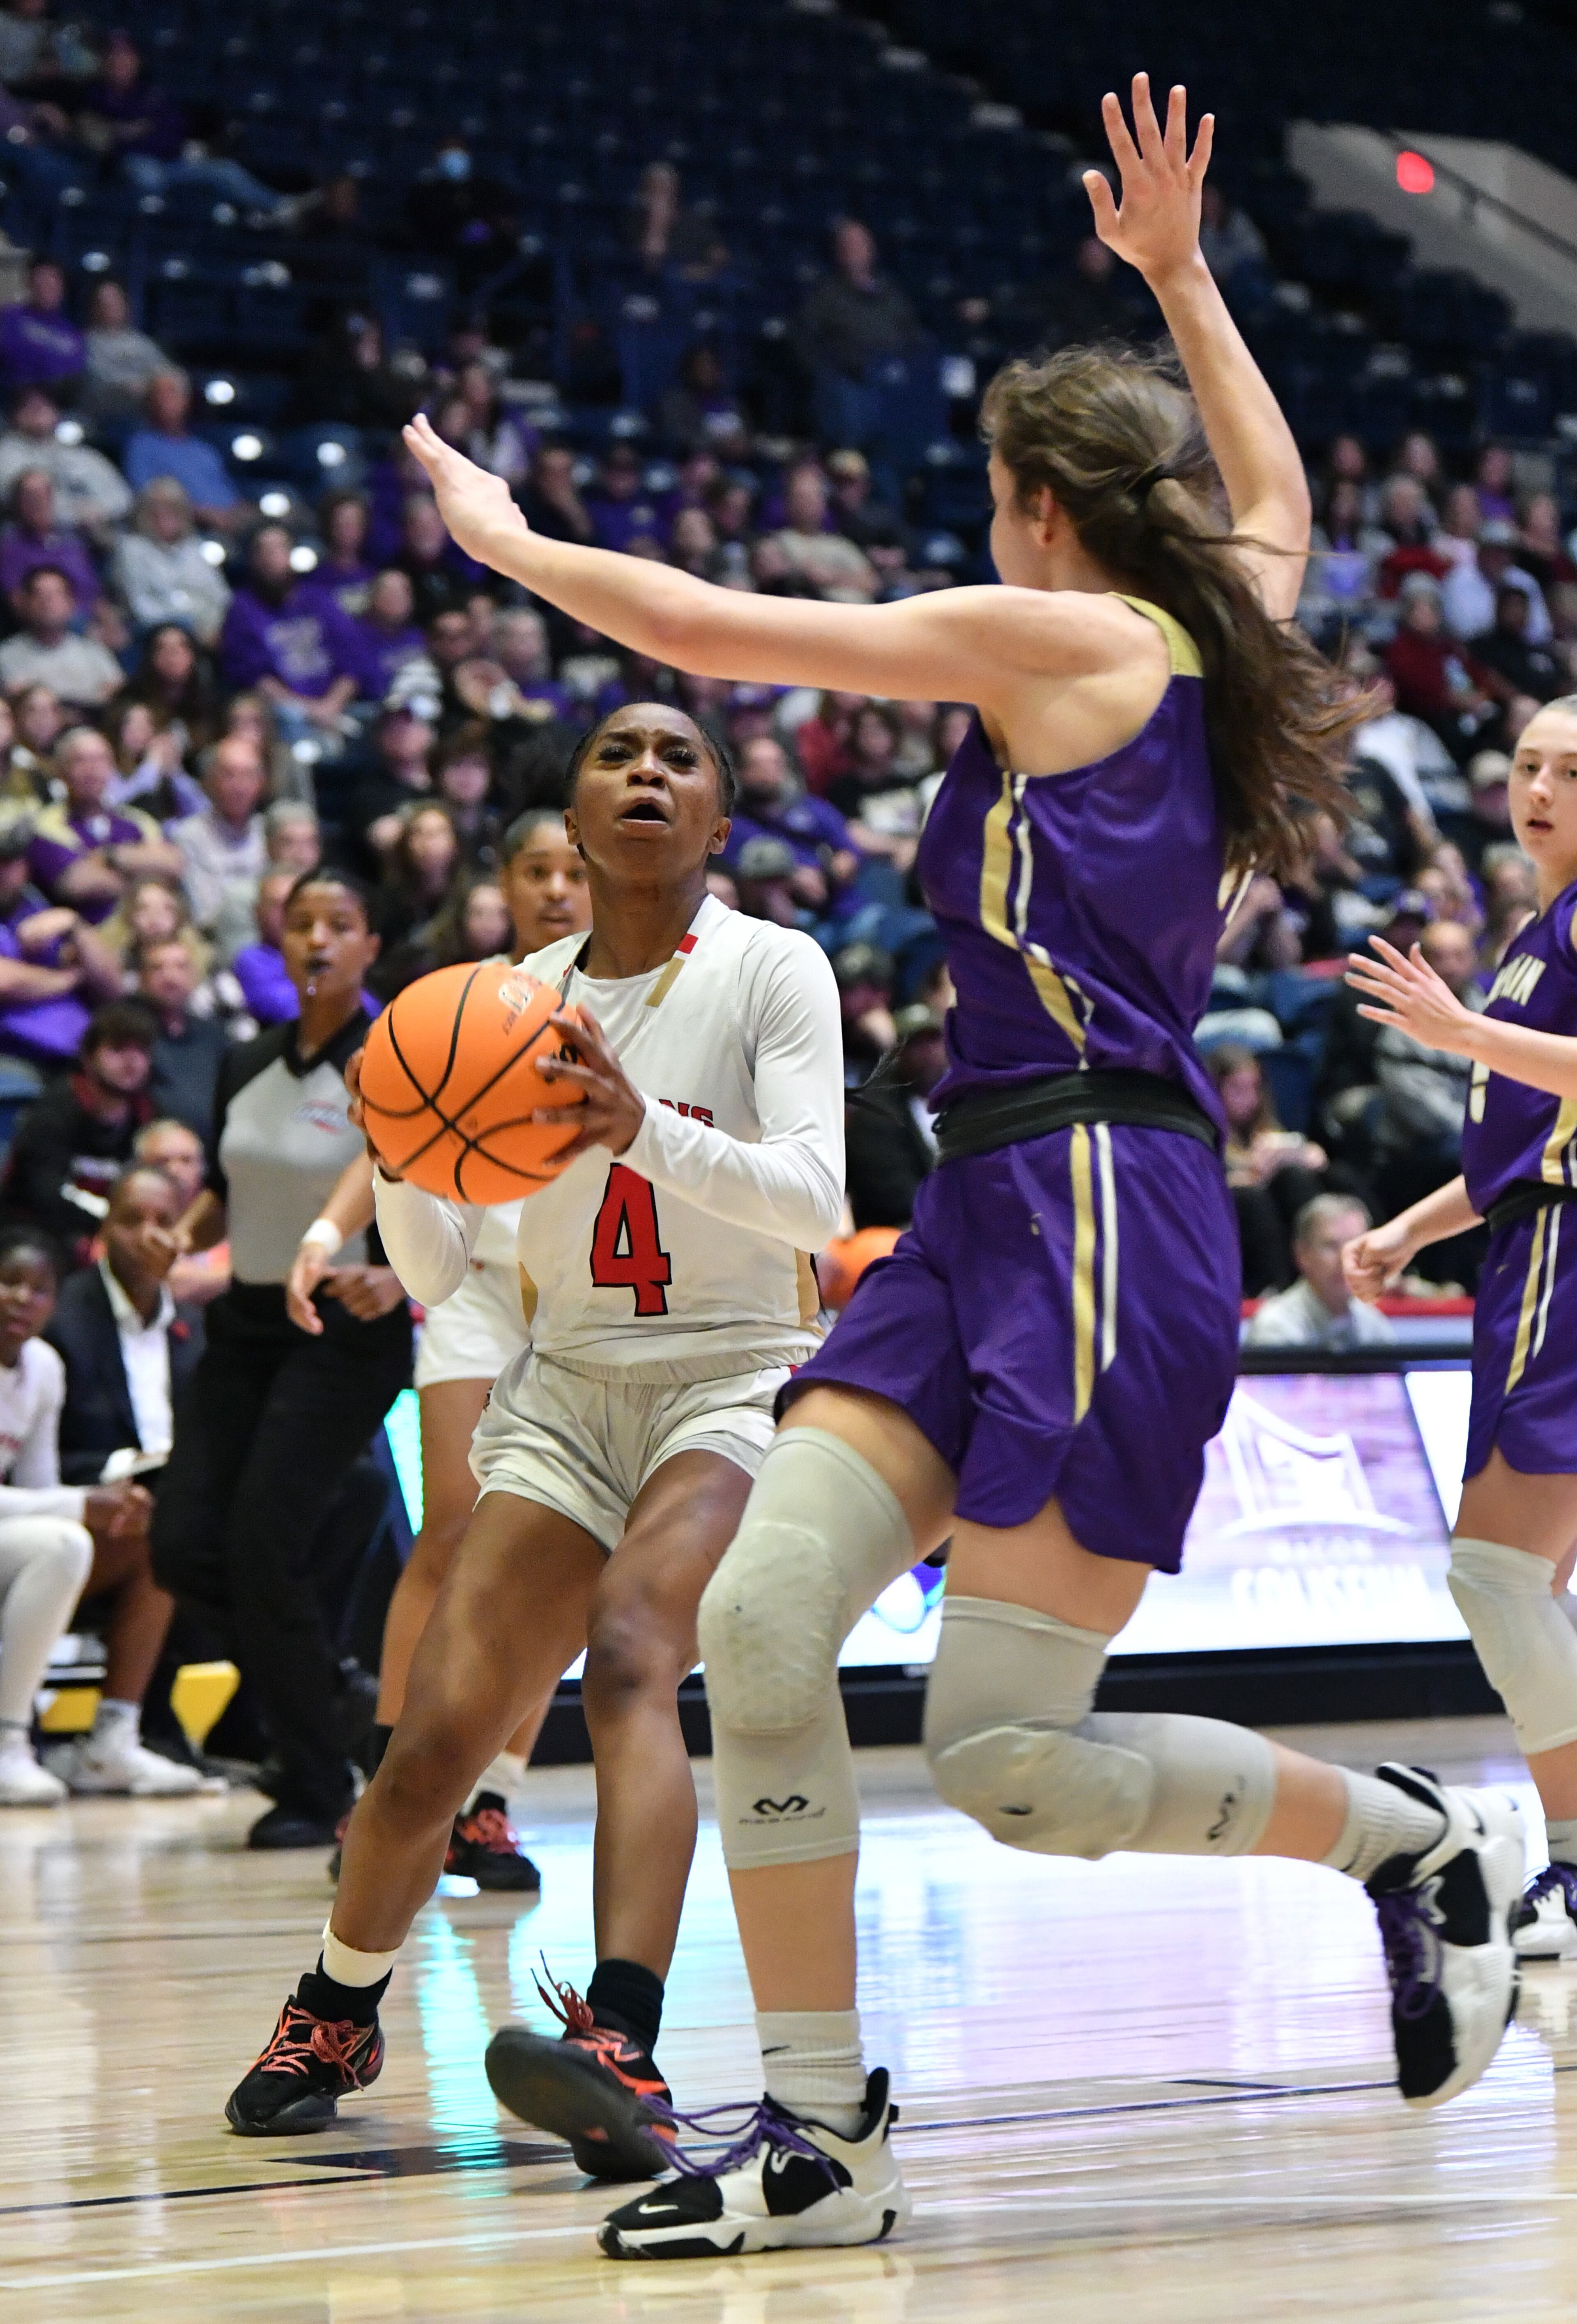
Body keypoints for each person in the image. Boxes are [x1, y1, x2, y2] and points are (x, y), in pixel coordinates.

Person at [369, 78, 1529, 2251]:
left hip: (1107, 1207)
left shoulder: (1070, 641)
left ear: (1039, 514)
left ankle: (1401, 1834)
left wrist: (517, 545)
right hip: (988, 1196)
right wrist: (1183, 280)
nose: (980, 531)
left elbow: (726, 631)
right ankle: (820, 2130)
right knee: (770, 1610)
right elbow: (1273, 490)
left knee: (1006, 1752)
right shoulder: (1208, 615)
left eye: (994, 502)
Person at [223, 705, 844, 2186]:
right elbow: (446, 1281)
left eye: (679, 757)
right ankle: (338, 2001)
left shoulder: (773, 968)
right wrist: (405, 1155)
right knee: (434, 1732)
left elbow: (820, 1200)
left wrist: (641, 1127)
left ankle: (619, 2034)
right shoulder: (493, 1003)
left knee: (636, 1651)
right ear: (567, 822)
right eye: (617, 753)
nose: (646, 770)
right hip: (564, 1384)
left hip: (730, 1373)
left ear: (719, 828)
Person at [285, 805, 592, 1890]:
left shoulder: (626, 1006)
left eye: (574, 869)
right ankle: (385, 1784)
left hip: (578, 1292)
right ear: (503, 888)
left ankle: (488, 1802)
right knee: (453, 1529)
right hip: (470, 1283)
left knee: (566, 1566)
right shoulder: (463, 1003)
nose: (558, 888)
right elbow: (393, 1124)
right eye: (537, 871)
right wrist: (327, 1233)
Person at [1343, 693, 1577, 1962]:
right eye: (1525, 764)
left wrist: (1459, 1030)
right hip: (1531, 1244)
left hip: (1567, 1254)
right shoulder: (1538, 931)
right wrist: (1411, 1229)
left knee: (1495, 1576)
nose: (1536, 787)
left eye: (1569, 770)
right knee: (1526, 1579)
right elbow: (1528, 1136)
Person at [148, 872, 411, 1850]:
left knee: (264, 1547)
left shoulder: (391, 1059)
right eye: (300, 924)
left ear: (368, 946)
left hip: (342, 1325)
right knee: (183, 1545)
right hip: (246, 1323)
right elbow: (231, 1185)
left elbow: (422, 1182)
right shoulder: (244, 1058)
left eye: (338, 926)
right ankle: (337, 1700)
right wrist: (182, 1236)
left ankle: (320, 1783)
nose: (316, 941)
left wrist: (398, 1278)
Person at [42, 1165, 209, 1795]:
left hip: (176, 1504)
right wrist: (119, 1475)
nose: (148, 1235)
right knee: (153, 1527)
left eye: (164, 1222)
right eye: (131, 1220)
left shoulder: (194, 1331)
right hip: (85, 1509)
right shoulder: (61, 1318)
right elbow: (47, 1457)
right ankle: (117, 1729)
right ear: (102, 1232)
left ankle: (264, 1734)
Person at [0, 1225, 161, 1804]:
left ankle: (113, 1736)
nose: (22, 1298)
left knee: (147, 1532)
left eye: (39, 1288)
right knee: (64, 1543)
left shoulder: (43, 1366)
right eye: (9, 1282)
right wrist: (79, 1503)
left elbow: (39, 1484)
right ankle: (9, 1742)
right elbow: (58, 1504)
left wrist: (105, 1501)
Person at [1, 999, 156, 1264]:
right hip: (38, 1239)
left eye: (140, 1051)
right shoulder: (52, 1114)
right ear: (88, 1056)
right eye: (118, 1049)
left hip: (110, 1239)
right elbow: (44, 1198)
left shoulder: (149, 1117)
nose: (132, 1061)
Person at [27, 723, 183, 924]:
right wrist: (142, 869)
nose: (93, 769)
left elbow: (173, 864)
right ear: (61, 770)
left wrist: (108, 856)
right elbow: (77, 884)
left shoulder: (137, 821)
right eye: (81, 760)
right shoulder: (46, 825)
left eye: (102, 759)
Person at [1243, 1193, 1397, 1349]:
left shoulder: (1374, 1325)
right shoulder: (1275, 1327)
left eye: (1357, 1247)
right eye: (1332, 1246)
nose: (1346, 1260)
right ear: (1302, 1254)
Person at [843, 1002, 944, 1230]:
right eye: (916, 1045)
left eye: (933, 1041)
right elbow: (895, 1197)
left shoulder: (966, 1101)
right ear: (898, 1054)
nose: (928, 1054)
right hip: (898, 1233)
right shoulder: (876, 1114)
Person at [124, 371, 247, 533]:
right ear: (150, 402)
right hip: (190, 531)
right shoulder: (141, 446)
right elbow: (147, 498)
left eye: (172, 394)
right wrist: (203, 514)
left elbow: (231, 497)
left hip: (230, 525)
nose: (165, 401)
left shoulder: (204, 450)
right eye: (159, 395)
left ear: (186, 400)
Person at [111, 479, 231, 646]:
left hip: (207, 630)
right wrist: (189, 626)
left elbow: (221, 597)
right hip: (158, 631)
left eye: (172, 510)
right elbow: (139, 605)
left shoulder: (195, 547)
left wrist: (214, 626)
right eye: (156, 511)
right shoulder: (132, 549)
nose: (164, 517)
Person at [169, 735, 269, 933]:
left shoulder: (270, 832)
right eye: (229, 775)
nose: (239, 786)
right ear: (211, 780)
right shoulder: (187, 836)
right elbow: (203, 916)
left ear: (261, 783)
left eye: (248, 775)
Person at [136, 934, 231, 1142]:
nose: (170, 977)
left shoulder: (215, 1036)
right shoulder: (128, 1035)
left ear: (195, 977)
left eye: (181, 967)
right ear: (142, 978)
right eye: (158, 968)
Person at [0, 565, 124, 709]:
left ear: (71, 603)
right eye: (39, 595)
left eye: (56, 594)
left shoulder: (95, 653)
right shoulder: (6, 657)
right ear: (25, 603)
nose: (47, 602)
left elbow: (118, 693)